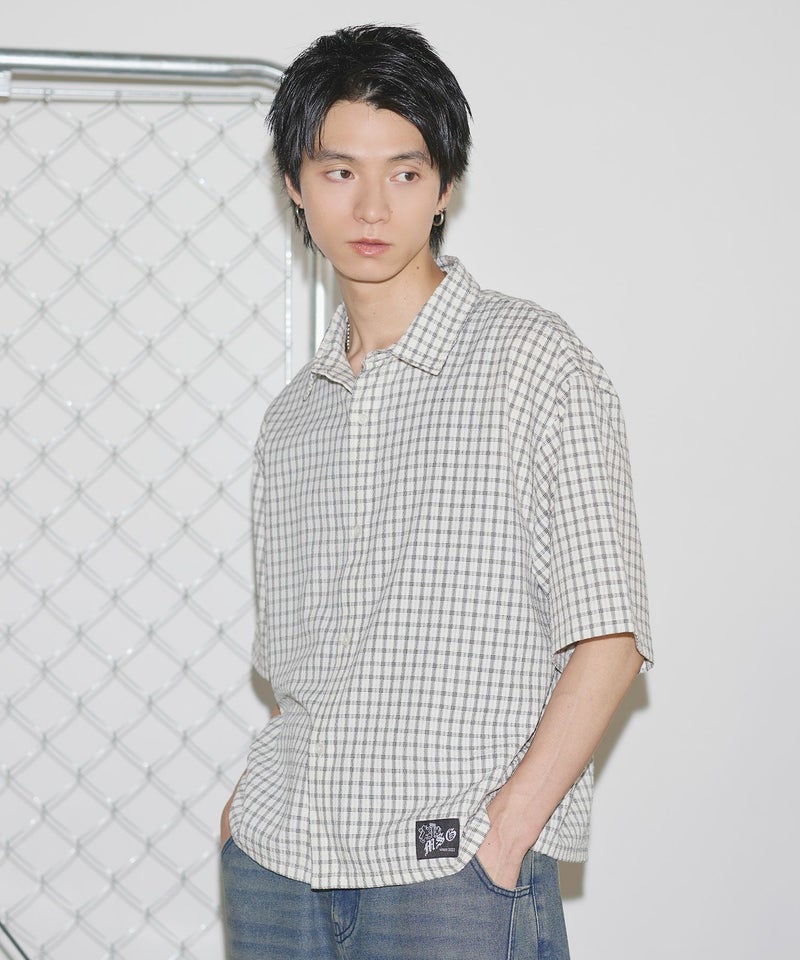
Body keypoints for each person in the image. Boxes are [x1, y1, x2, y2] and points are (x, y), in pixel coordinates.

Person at [219, 23, 653, 960]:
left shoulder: (533, 361)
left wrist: (504, 838)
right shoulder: (292, 419)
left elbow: (610, 639)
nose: (372, 205)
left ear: (445, 185)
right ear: (294, 183)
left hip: (450, 871)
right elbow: (299, 673)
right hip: (277, 862)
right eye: (339, 171)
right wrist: (242, 818)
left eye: (406, 172)